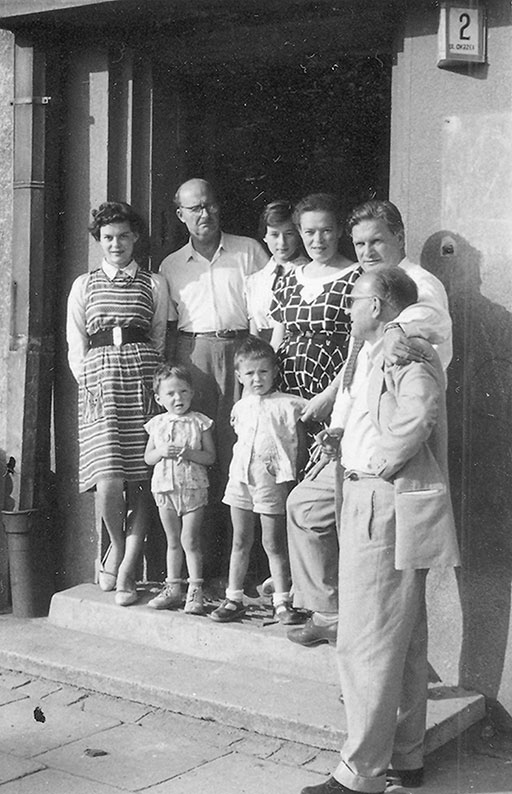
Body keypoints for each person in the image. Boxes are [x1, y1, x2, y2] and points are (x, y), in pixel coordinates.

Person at [300, 266, 460, 794]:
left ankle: (361, 773)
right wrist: (346, 444)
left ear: (379, 305)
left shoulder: (406, 348)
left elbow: (419, 415)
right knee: (405, 639)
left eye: (356, 301)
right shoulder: (374, 351)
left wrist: (381, 463)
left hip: (380, 499)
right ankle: (405, 758)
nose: (348, 310)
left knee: (365, 639)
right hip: (366, 492)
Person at [287, 199, 453, 646]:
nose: (366, 250)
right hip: (355, 444)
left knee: (384, 575)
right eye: (359, 243)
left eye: (377, 240)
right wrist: (337, 424)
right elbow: (355, 373)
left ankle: (371, 656)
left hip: (390, 454)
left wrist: (399, 327)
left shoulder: (417, 284)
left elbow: (430, 319)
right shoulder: (366, 287)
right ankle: (329, 612)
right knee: (306, 508)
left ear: (400, 236)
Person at [159, 178, 268, 576]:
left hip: (241, 353)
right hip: (194, 357)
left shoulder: (249, 251)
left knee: (241, 451)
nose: (204, 214)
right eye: (195, 208)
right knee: (198, 451)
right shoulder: (171, 265)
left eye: (210, 205)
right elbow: (167, 327)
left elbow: (263, 316)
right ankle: (200, 568)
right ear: (181, 215)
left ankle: (247, 565)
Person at [66, 201, 168, 607]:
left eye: (123, 236)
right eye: (108, 237)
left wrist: (150, 378)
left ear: (135, 238)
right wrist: (91, 381)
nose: (116, 244)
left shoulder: (154, 283)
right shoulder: (84, 285)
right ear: (98, 241)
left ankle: (126, 566)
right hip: (99, 381)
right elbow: (76, 343)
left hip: (142, 377)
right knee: (108, 476)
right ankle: (116, 544)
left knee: (143, 474)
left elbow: (158, 336)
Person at [210, 336, 308, 625]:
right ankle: (234, 598)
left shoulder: (289, 405)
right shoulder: (240, 407)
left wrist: (290, 475)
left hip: (271, 480)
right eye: (250, 373)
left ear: (274, 372)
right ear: (239, 376)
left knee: (273, 542)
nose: (257, 379)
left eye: (263, 371)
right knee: (240, 540)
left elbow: (300, 443)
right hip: (240, 479)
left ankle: (282, 602)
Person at [270, 193, 361, 402]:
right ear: (300, 232)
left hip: (334, 390)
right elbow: (277, 340)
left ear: (339, 231)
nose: (318, 240)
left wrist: (331, 395)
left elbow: (360, 345)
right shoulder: (288, 279)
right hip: (286, 389)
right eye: (310, 232)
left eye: (326, 231)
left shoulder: (358, 278)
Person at [143, 364, 216, 614]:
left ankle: (195, 590)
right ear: (159, 398)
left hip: (193, 489)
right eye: (171, 393)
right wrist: (160, 452)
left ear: (192, 393)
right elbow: (148, 458)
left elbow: (210, 457)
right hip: (165, 490)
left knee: (190, 540)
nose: (178, 398)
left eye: (184, 391)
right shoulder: (156, 424)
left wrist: (189, 452)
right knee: (173, 540)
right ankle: (173, 589)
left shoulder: (199, 422)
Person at [245, 200, 308, 342]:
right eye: (274, 234)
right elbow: (254, 329)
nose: (282, 242)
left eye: (289, 233)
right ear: (264, 237)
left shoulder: (307, 274)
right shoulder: (255, 281)